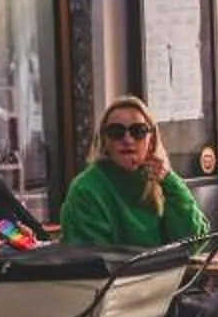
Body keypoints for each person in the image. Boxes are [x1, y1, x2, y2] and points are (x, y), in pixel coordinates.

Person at [56, 99, 209, 252]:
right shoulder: (86, 189)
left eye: (138, 131)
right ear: (105, 140)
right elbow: (94, 257)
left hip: (168, 267)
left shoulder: (163, 182)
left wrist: (170, 181)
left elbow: (194, 243)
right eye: (116, 132)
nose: (128, 140)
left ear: (151, 139)